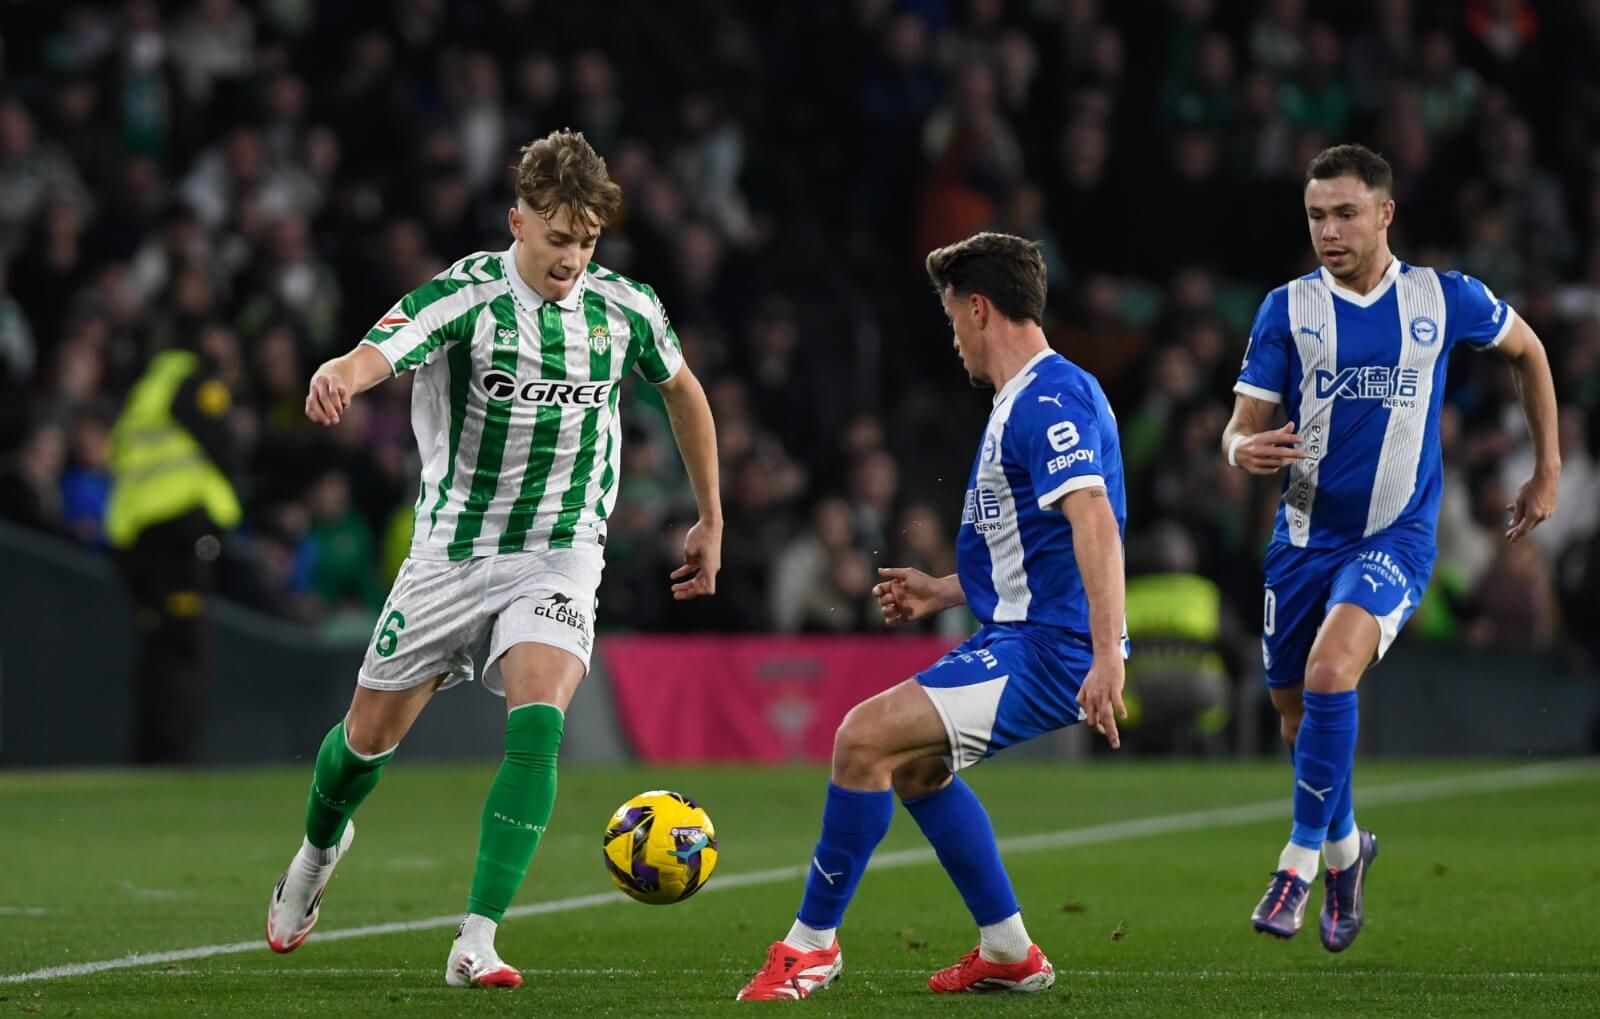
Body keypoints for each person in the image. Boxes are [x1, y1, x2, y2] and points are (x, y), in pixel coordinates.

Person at [264, 129, 723, 990]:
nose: (572, 258)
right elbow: (379, 349)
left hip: (559, 551)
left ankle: (477, 937)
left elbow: (683, 391)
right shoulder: (468, 294)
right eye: (557, 238)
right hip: (452, 551)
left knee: (540, 716)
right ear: (518, 221)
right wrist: (339, 372)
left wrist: (711, 516)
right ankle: (319, 849)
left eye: (587, 241)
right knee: (364, 744)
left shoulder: (626, 307)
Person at [736, 232, 1128, 1001]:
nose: (953, 339)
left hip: (1051, 647)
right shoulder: (1025, 400)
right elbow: (1035, 549)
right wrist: (944, 591)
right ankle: (1009, 951)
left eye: (953, 320)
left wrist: (1107, 650)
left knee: (861, 736)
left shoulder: (1050, 397)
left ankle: (810, 946)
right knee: (915, 765)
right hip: (1022, 630)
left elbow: (1095, 520)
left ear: (979, 308)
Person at [1221, 144, 1560, 951]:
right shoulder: (1287, 308)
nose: (1328, 230)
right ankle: (1347, 849)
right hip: (1301, 540)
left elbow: (1531, 351)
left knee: (1331, 671)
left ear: (1385, 214)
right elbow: (1241, 422)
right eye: (1315, 215)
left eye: (1344, 213)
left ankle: (1298, 861)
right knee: (1297, 719)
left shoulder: (1441, 299)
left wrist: (1546, 468)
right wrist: (1242, 450)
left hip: (1394, 537)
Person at [105, 322, 245, 764]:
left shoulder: (145, 392)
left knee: (155, 642)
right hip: (182, 529)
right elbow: (224, 446)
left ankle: (149, 752)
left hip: (138, 536)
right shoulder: (197, 379)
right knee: (186, 644)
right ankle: (176, 754)